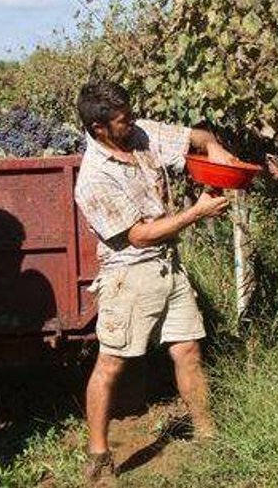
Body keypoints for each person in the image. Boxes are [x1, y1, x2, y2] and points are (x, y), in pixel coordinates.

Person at [74, 79, 236, 484]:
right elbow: (139, 234)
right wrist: (197, 213)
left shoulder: (140, 132)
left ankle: (207, 434)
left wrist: (212, 147)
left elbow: (195, 136)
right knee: (111, 364)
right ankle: (99, 456)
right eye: (122, 120)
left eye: (129, 115)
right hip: (129, 275)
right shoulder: (93, 178)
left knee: (188, 350)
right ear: (98, 128)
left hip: (169, 266)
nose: (131, 123)